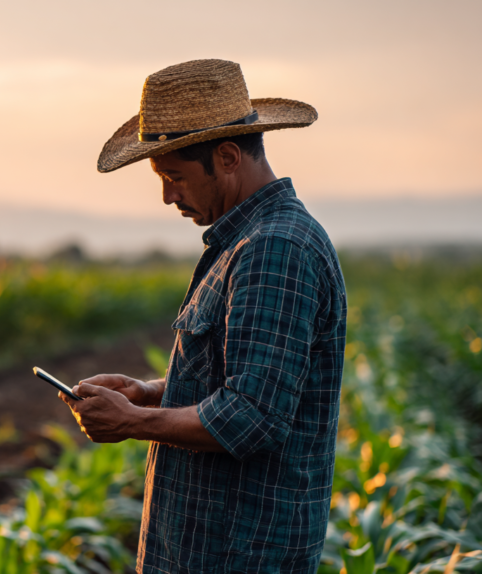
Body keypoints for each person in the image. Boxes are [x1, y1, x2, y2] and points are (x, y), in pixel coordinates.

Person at [60, 59, 347, 573]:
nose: (168, 196)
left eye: (175, 177)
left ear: (229, 156)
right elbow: (238, 375)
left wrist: (135, 422)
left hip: (236, 551)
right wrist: (148, 391)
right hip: (211, 545)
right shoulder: (245, 241)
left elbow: (252, 416)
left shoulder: (273, 249)